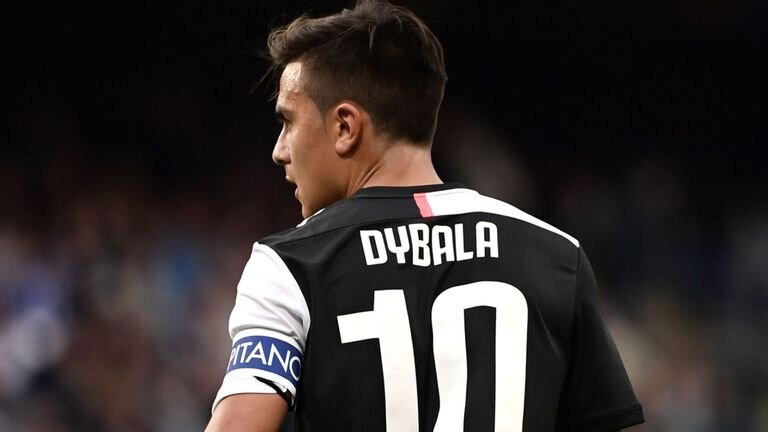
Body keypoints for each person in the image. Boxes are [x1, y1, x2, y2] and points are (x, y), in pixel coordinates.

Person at [206, 1, 644, 431]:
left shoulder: (290, 266)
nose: (279, 150)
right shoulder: (555, 258)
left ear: (345, 127)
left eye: (288, 122)